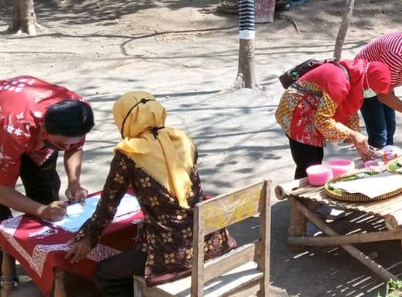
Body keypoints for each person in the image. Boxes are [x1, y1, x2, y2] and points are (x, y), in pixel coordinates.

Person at [66, 92, 234, 295]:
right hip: (212, 240)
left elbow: (108, 206)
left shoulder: (128, 154)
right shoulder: (183, 140)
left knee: (104, 272)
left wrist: (88, 237)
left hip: (173, 254)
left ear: (125, 121)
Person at [0, 76, 93, 224]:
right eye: (62, 144)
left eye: (71, 143)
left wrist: (74, 182)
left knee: (46, 192)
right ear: (43, 132)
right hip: (8, 124)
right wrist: (41, 210)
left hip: (28, 119)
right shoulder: (15, 130)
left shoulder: (80, 114)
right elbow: (3, 191)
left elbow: (75, 147)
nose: (67, 148)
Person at [276, 59, 391, 178]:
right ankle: (297, 194)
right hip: (296, 110)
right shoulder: (339, 81)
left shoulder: (356, 76)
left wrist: (358, 141)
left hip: (312, 110)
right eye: (373, 89)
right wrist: (351, 134)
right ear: (368, 81)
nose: (372, 94)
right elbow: (322, 120)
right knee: (309, 164)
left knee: (315, 157)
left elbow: (350, 111)